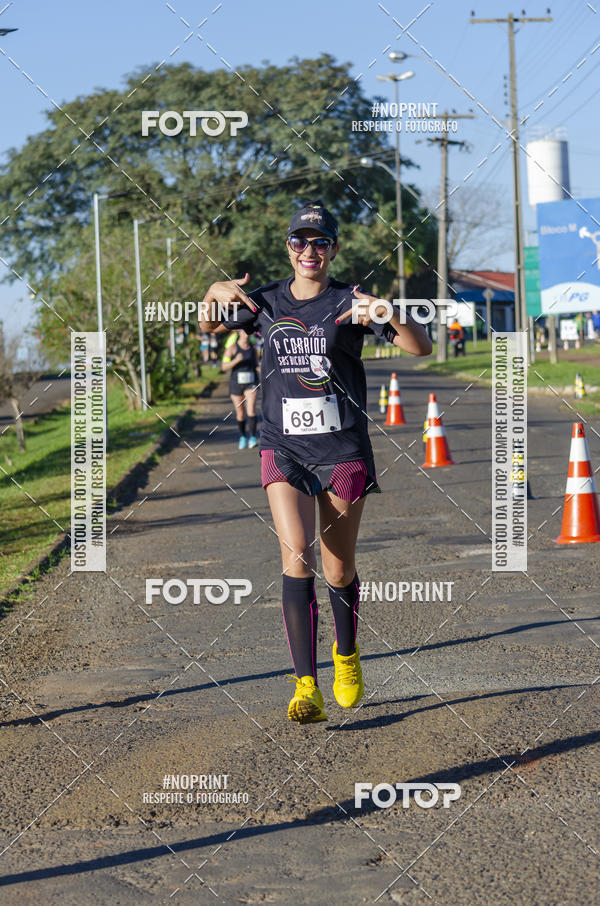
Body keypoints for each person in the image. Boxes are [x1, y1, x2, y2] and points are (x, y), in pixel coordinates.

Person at [201, 201, 431, 723]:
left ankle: (346, 659)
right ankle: (305, 686)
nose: (310, 250)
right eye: (300, 241)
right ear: (288, 247)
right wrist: (212, 297)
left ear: (333, 249)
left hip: (343, 453)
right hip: (282, 446)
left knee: (338, 567)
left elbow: (421, 348)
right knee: (295, 559)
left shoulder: (351, 303)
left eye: (320, 241)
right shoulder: (263, 302)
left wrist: (389, 311)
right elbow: (208, 327)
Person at [221, 330, 260, 449]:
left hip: (251, 383)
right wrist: (236, 360)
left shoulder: (252, 349)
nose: (247, 333)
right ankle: (243, 436)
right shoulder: (232, 349)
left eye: (248, 331)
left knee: (251, 410)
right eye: (245, 331)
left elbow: (256, 365)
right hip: (236, 383)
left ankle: (252, 437)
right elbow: (224, 366)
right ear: (240, 333)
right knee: (240, 413)